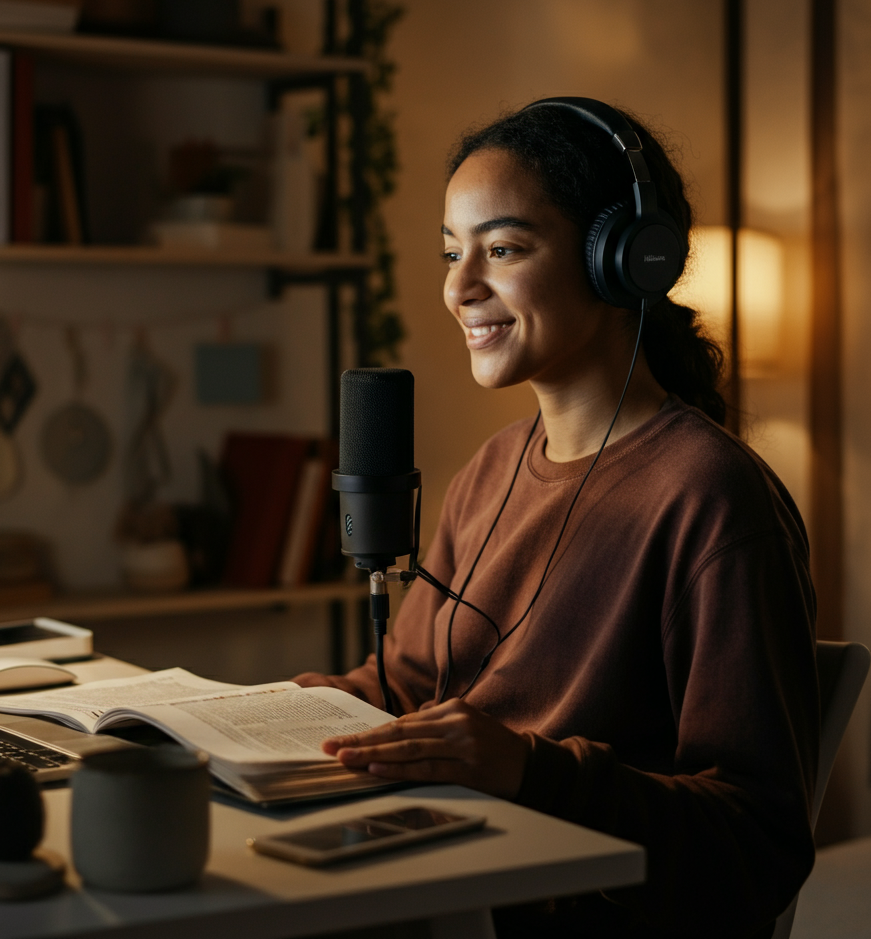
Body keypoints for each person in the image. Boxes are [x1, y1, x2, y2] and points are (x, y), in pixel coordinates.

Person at [294, 100, 819, 939]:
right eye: (451, 252)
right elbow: (404, 692)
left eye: (502, 249)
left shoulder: (713, 500)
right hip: (443, 885)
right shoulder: (492, 472)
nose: (460, 287)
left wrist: (529, 772)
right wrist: (252, 714)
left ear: (623, 263)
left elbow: (757, 843)